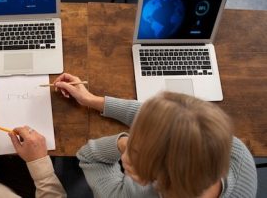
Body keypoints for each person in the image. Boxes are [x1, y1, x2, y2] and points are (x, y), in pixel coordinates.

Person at [52, 73, 257, 198]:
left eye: (136, 149)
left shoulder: (131, 194)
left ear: (143, 177)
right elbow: (169, 119)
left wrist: (123, 143)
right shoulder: (236, 153)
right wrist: (93, 100)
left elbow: (89, 156)